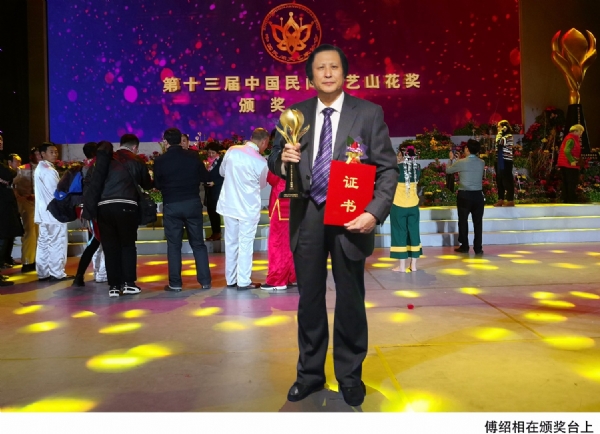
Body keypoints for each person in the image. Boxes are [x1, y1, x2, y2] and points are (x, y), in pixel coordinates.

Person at [268, 44, 398, 407]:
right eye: (320, 68)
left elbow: (387, 169)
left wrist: (374, 212)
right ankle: (309, 375)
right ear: (310, 76)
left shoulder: (368, 114)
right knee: (309, 300)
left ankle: (350, 376)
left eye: (334, 67)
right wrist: (283, 159)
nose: (327, 73)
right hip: (307, 215)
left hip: (351, 217)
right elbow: (274, 159)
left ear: (344, 73)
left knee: (350, 298)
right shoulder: (294, 115)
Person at [154, 127, 211, 291]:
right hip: (192, 203)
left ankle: (175, 283)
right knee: (198, 244)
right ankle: (205, 281)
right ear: (181, 140)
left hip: (171, 204)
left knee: (174, 245)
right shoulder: (193, 156)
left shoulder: (160, 160)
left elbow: (157, 184)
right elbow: (205, 177)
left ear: (165, 142)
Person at [96, 135, 153, 298]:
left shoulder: (105, 158)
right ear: (135, 147)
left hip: (104, 207)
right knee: (127, 245)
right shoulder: (136, 160)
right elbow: (146, 184)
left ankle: (114, 286)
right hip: (127, 205)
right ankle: (129, 284)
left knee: (110, 247)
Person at [217, 128, 269, 290]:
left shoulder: (232, 150)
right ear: (263, 142)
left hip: (229, 204)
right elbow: (262, 184)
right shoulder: (261, 162)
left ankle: (231, 279)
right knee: (245, 244)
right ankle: (244, 280)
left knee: (231, 242)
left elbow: (222, 172)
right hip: (248, 207)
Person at [34, 142, 72, 282]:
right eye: (51, 152)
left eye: (56, 152)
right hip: (53, 212)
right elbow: (57, 193)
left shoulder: (40, 168)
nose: (55, 154)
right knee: (57, 242)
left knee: (44, 242)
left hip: (43, 213)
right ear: (43, 154)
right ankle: (57, 273)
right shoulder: (49, 171)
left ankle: (43, 272)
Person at [72, 142, 107, 287]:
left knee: (94, 242)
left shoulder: (84, 167)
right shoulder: (97, 167)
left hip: (86, 210)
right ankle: (100, 274)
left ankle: (88, 274)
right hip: (97, 209)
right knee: (100, 242)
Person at [446, 139, 485, 255]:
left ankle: (464, 246)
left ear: (467, 149)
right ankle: (478, 248)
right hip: (478, 195)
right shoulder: (481, 162)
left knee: (463, 221)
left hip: (465, 195)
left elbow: (448, 170)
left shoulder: (461, 162)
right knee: (478, 223)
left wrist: (451, 159)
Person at [260, 169, 297, 291]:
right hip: (296, 197)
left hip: (281, 196)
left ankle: (277, 279)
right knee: (292, 239)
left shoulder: (282, 158)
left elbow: (272, 178)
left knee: (278, 241)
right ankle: (292, 275)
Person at [390, 145, 422, 273]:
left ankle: (402, 266)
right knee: (414, 233)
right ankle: (413, 265)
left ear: (402, 155)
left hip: (399, 206)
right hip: (413, 206)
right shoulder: (417, 167)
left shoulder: (396, 168)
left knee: (399, 233)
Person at [0, 137, 24, 286]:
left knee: (5, 237)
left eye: (1, 139)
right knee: (2, 238)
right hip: (2, 205)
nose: (0, 142)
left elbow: (8, 176)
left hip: (5, 203)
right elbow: (9, 174)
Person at [12, 147, 40, 272]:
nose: (39, 157)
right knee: (30, 231)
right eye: (36, 154)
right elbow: (12, 185)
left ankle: (37, 259)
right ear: (31, 156)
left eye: (40, 154)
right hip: (26, 202)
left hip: (40, 203)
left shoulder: (45, 168)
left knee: (39, 232)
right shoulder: (22, 169)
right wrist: (19, 197)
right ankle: (28, 261)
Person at [557, 124, 584, 204]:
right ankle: (571, 199)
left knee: (567, 182)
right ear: (575, 131)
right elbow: (566, 150)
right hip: (569, 164)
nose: (581, 133)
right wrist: (572, 160)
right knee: (572, 181)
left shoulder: (570, 138)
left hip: (565, 164)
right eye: (580, 131)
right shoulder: (571, 139)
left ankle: (565, 198)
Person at [4, 153, 23, 268]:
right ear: (9, 163)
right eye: (17, 161)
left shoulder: (19, 173)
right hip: (7, 207)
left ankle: (8, 257)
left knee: (12, 233)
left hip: (14, 206)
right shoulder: (6, 176)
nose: (19, 164)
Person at [204, 142, 224, 241]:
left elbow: (225, 176)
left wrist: (215, 182)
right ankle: (214, 232)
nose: (211, 155)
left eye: (213, 153)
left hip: (218, 190)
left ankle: (217, 232)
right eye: (209, 153)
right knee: (211, 211)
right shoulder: (207, 162)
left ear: (217, 153)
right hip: (209, 191)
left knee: (215, 212)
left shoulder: (221, 162)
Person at [493, 120, 515, 207]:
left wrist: (501, 132)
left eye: (499, 127)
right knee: (499, 180)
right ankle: (500, 199)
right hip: (499, 160)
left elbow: (500, 143)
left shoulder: (509, 136)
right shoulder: (501, 136)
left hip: (506, 161)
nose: (498, 128)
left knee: (507, 180)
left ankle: (510, 200)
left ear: (504, 127)